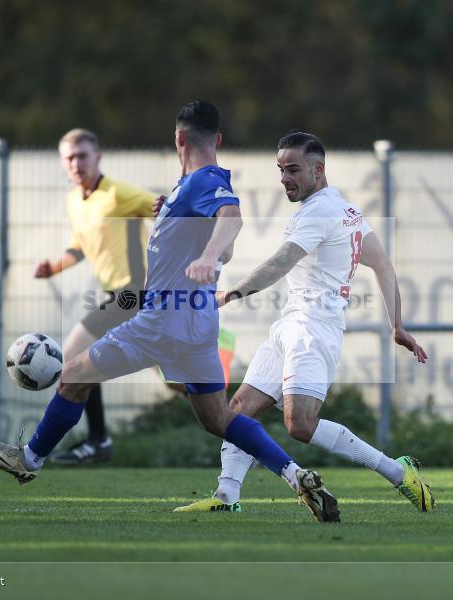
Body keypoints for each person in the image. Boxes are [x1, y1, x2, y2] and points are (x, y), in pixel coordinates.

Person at [0, 102, 341, 523]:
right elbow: (221, 235)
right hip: (199, 325)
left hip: (162, 321)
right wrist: (176, 219)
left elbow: (232, 219)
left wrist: (207, 255)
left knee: (74, 375)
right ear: (217, 139)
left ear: (179, 139)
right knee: (219, 418)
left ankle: (31, 459)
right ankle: (297, 477)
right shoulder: (186, 189)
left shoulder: (207, 180)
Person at [174, 131, 436, 514]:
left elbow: (282, 262)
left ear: (319, 168)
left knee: (301, 424)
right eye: (281, 170)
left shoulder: (321, 212)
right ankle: (226, 496)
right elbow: (382, 264)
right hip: (289, 327)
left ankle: (398, 472)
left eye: (293, 169)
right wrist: (396, 324)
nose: (285, 178)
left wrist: (230, 295)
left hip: (314, 330)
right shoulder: (345, 211)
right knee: (238, 411)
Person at [34, 128, 162, 465]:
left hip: (135, 292)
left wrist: (164, 207)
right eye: (69, 158)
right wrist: (54, 267)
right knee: (180, 381)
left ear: (97, 157)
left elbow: (162, 209)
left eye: (82, 156)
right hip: (119, 295)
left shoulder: (118, 194)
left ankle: (96, 441)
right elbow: (80, 246)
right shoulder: (75, 200)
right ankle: (234, 410)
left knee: (74, 357)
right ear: (63, 163)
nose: (76, 163)